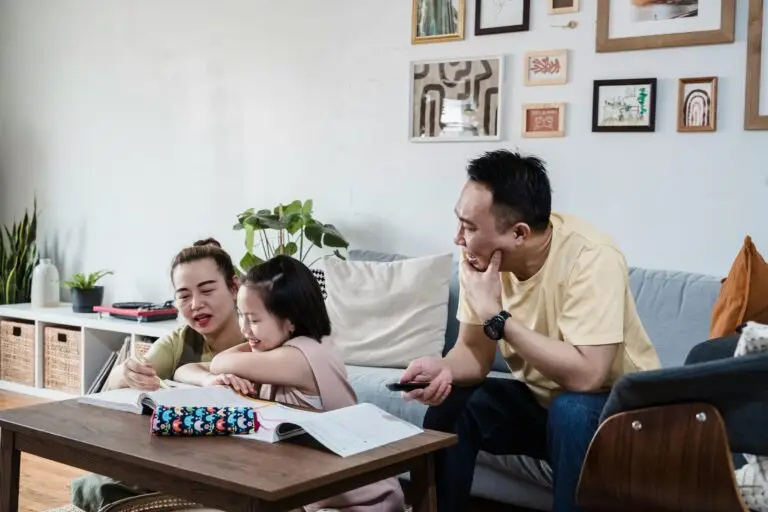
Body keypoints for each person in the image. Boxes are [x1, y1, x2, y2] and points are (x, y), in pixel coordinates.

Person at [399, 149, 661, 512]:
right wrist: (444, 368)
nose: (458, 238)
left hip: (624, 415)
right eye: (460, 223)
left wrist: (497, 318)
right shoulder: (479, 256)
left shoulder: (591, 256)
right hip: (544, 407)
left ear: (519, 233)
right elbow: (473, 354)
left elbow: (588, 375)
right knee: (456, 403)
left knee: (571, 410)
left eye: (470, 227)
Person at [208, 254, 406, 511]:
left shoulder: (299, 357)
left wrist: (217, 372)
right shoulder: (284, 349)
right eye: (241, 316)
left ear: (290, 321)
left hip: (361, 497)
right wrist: (211, 378)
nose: (244, 329)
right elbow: (192, 369)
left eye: (254, 320)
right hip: (318, 484)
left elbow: (218, 362)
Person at [72, 238, 251, 511]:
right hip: (181, 462)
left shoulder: (258, 337)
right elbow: (114, 387)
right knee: (98, 487)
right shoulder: (179, 341)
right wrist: (127, 372)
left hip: (239, 466)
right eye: (184, 295)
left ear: (234, 287)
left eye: (207, 290)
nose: (196, 304)